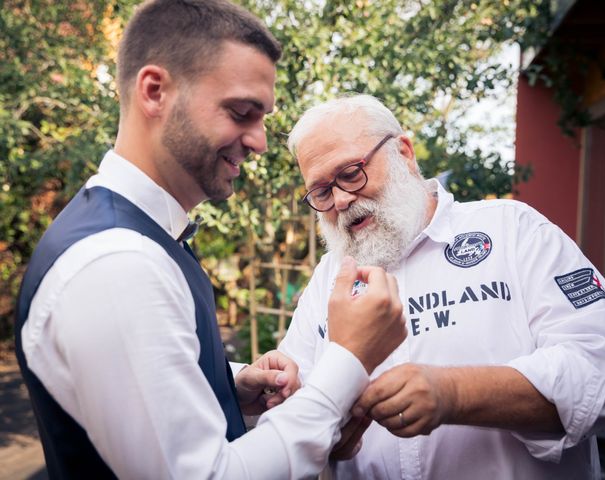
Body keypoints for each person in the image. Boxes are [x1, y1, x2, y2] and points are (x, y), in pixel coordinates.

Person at [14, 3, 407, 479]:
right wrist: (348, 360)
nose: (260, 141)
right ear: (155, 92)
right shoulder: (118, 262)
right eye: (242, 113)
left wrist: (228, 388)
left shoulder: (152, 237)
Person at [278, 94, 605, 479]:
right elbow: (297, 404)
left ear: (404, 153)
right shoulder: (327, 277)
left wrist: (453, 393)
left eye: (351, 173)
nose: (341, 199)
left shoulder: (512, 230)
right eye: (320, 191)